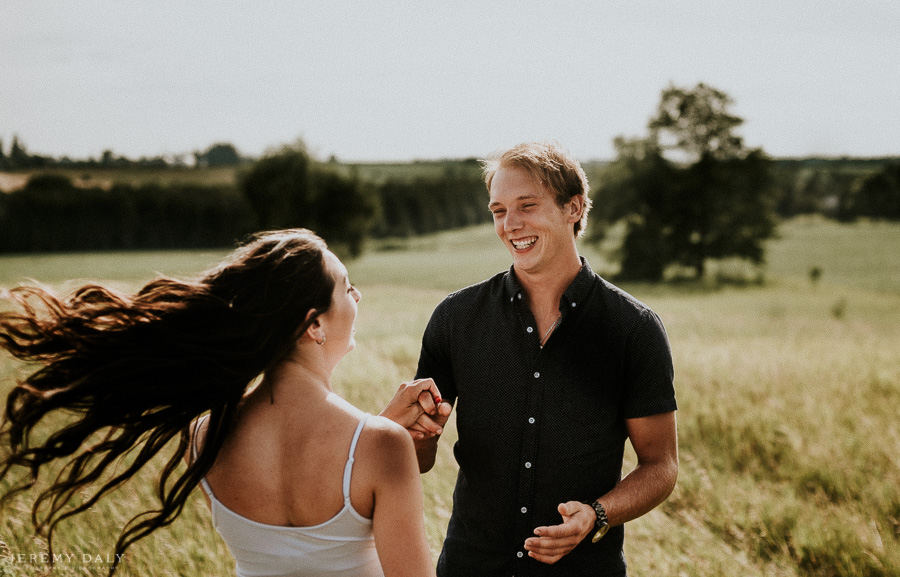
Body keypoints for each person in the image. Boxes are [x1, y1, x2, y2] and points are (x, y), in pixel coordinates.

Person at [0, 229, 442, 577]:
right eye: (347, 288)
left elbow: (295, 549)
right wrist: (384, 437)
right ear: (314, 327)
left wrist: (380, 430)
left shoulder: (204, 436)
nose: (357, 296)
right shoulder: (380, 448)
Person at [412, 141, 679, 576]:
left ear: (573, 208)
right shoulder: (456, 319)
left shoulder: (634, 329)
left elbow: (661, 465)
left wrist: (598, 514)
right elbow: (419, 460)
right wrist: (419, 437)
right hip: (471, 565)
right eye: (498, 210)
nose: (510, 225)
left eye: (527, 206)